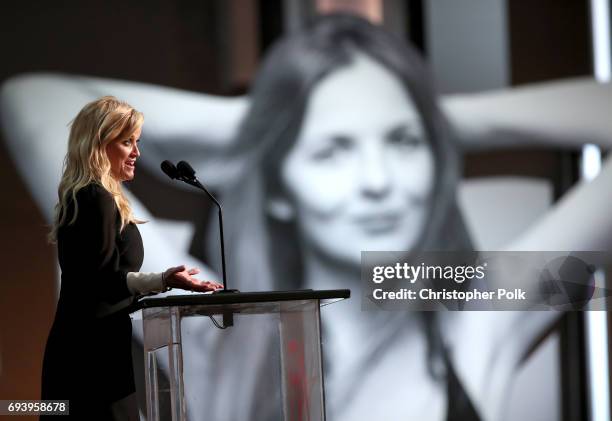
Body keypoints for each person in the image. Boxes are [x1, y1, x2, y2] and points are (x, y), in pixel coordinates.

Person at [2, 12, 612, 421]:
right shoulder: (217, 326)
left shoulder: (473, 316)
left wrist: (425, 113)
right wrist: (268, 124)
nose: (378, 182)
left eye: (404, 142)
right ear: (279, 187)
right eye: (331, 150)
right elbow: (34, 104)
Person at [40, 96, 222, 420]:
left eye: (136, 142)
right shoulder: (94, 197)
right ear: (98, 145)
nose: (136, 153)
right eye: (127, 142)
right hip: (89, 358)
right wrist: (164, 280)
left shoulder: (93, 196)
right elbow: (102, 281)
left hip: (93, 349)